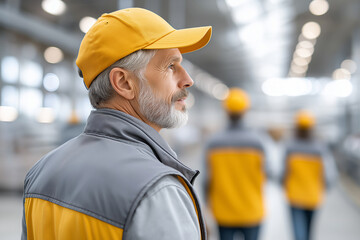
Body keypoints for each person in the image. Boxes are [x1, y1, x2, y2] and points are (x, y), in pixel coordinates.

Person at [21, 8, 212, 240]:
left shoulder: (40, 174)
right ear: (124, 82)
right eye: (171, 66)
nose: (188, 80)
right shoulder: (156, 191)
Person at [203, 88, 272, 240]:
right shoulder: (259, 142)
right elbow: (270, 172)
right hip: (252, 210)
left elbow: (206, 179)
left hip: (224, 211)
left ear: (226, 111)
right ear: (246, 110)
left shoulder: (213, 142)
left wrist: (206, 205)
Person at [280, 110, 337, 240]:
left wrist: (283, 184)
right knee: (309, 232)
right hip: (314, 195)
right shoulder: (320, 148)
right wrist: (324, 187)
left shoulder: (290, 147)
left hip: (294, 196)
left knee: (299, 233)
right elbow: (330, 175)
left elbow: (282, 172)